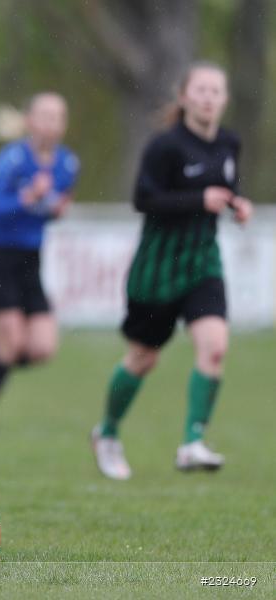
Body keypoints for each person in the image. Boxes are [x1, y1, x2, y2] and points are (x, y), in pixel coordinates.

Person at [91, 62, 254, 480]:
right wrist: (200, 199)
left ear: (224, 99)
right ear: (184, 97)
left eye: (216, 91)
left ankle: (192, 443)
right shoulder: (165, 146)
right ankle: (107, 432)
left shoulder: (229, 143)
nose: (208, 97)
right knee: (143, 358)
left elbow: (226, 190)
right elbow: (144, 200)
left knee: (215, 346)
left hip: (203, 263)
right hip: (158, 269)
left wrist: (238, 205)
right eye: (200, 90)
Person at [0, 93, 80, 435]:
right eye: (45, 115)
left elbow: (50, 210)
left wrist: (53, 209)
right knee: (9, 340)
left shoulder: (67, 164)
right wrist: (28, 198)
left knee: (41, 348)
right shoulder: (12, 159)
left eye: (59, 116)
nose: (52, 123)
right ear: (30, 121)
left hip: (30, 261)